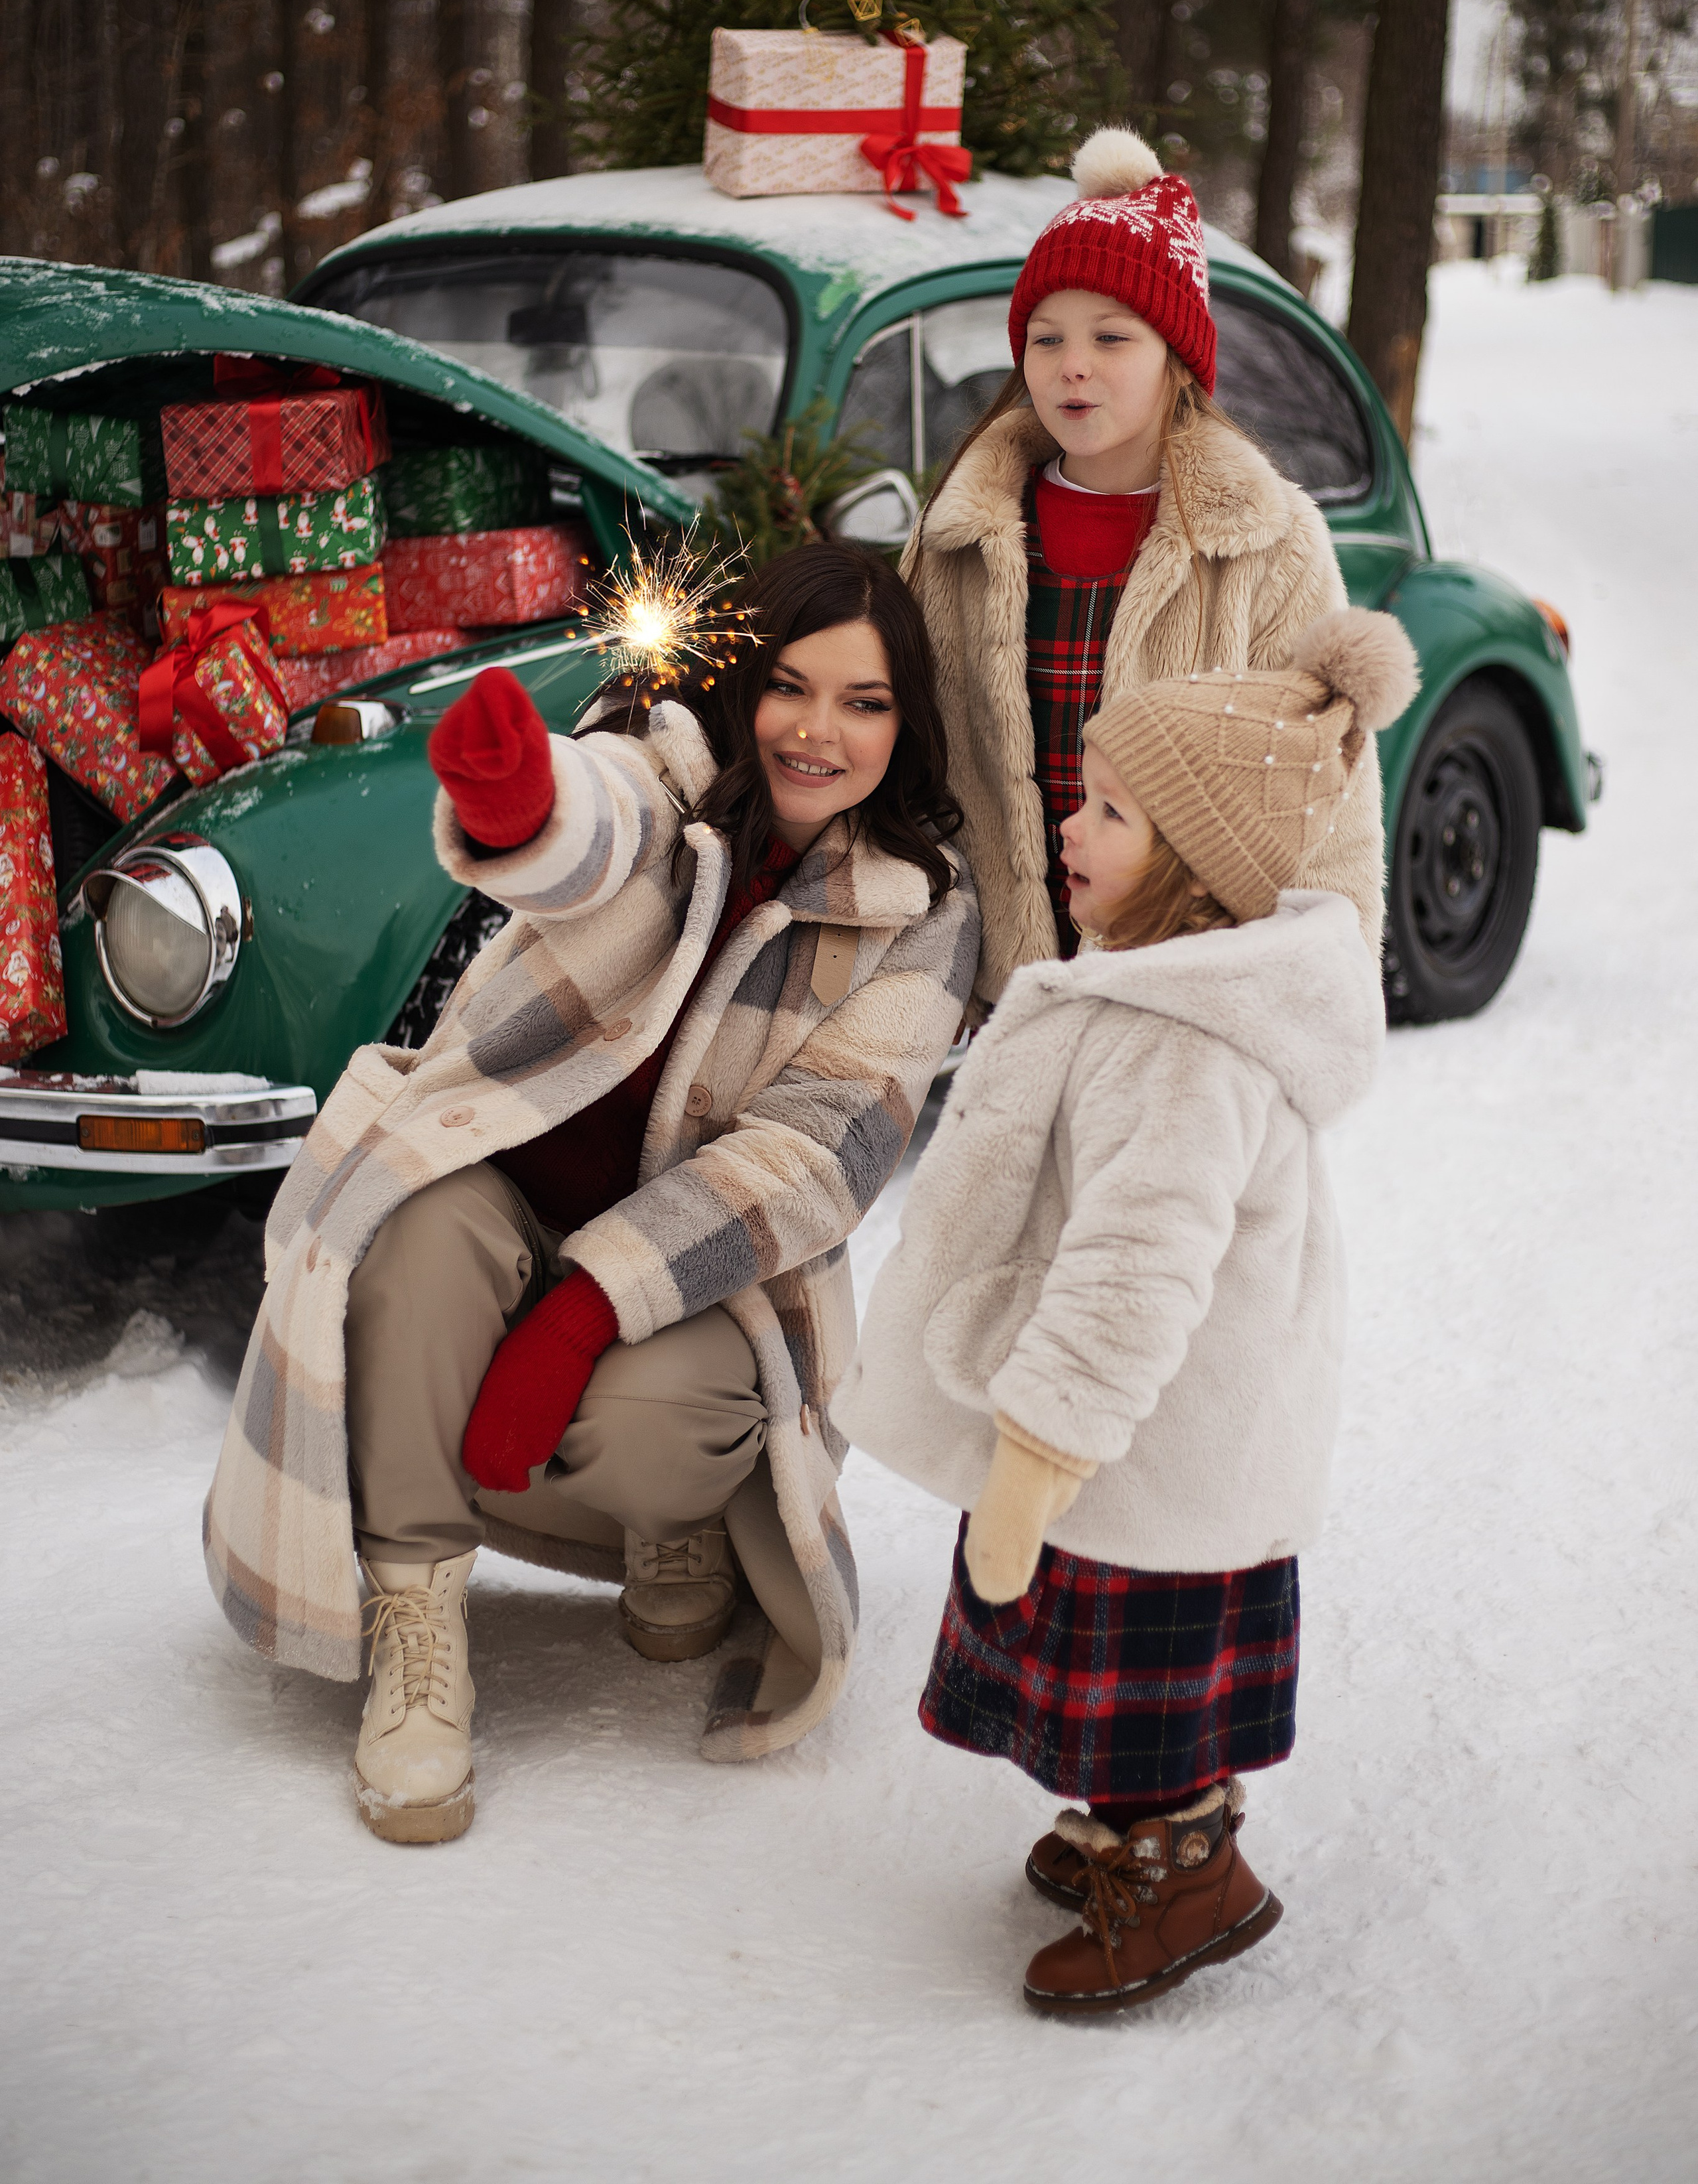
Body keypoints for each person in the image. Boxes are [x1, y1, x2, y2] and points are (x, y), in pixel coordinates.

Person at [203, 541, 978, 1844]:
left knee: (656, 1425)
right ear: (742, 687)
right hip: (504, 1188)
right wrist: (524, 805)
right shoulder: (668, 771)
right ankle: (416, 1622)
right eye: (789, 687)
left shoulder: (924, 911)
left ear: (906, 726)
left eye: (864, 702)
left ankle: (673, 1526)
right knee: (409, 1235)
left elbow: (815, 1156)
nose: (817, 731)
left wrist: (583, 1311)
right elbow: (596, 822)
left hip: (698, 1275)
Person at [835, 607, 1417, 2012]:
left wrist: (1036, 1459)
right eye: (1081, 798)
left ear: (1202, 871)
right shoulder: (1158, 995)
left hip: (1140, 1444)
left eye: (1111, 813)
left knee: (1147, 1695)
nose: (1069, 826)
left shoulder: (1182, 1046)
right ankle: (1131, 1824)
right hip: (1134, 1438)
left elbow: (1133, 1272)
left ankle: (1184, 1870)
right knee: (1110, 1686)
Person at [903, 123, 1386, 1020]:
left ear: (1177, 357)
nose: (1072, 366)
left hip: (1185, 997)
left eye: (1112, 338)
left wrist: (1322, 1001)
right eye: (1045, 339)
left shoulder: (1268, 543)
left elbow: (1325, 805)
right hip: (995, 991)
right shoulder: (962, 533)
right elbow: (915, 766)